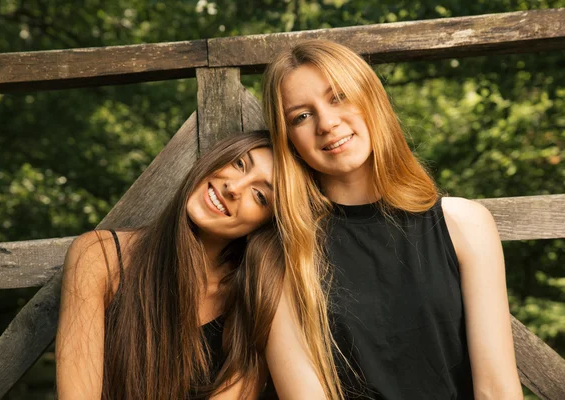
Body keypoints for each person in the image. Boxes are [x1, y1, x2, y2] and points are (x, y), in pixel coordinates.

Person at [262, 40, 523, 399]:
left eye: (338, 96)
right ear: (288, 140)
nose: (327, 122)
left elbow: (497, 391)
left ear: (371, 99)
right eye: (301, 116)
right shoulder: (284, 253)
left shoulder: (466, 225)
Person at [55, 131, 341, 400]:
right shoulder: (98, 256)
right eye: (239, 163)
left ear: (265, 226)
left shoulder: (252, 302)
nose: (233, 187)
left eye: (260, 196)